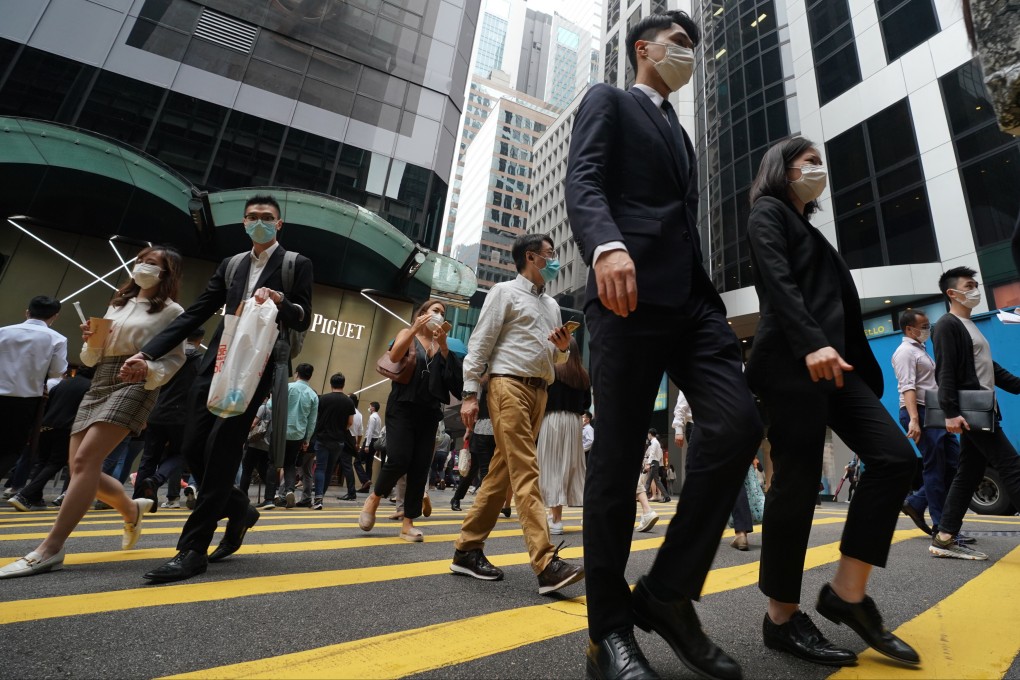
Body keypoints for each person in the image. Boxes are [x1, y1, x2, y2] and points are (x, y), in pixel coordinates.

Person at [566, 12, 764, 676]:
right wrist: (607, 245)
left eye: (693, 46)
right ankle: (608, 634)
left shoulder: (681, 134)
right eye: (678, 43)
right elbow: (584, 179)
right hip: (624, 293)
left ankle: (668, 594)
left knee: (738, 423)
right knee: (617, 467)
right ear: (641, 48)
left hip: (692, 304)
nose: (688, 53)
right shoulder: (609, 100)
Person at [745, 137, 919, 666]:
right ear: (782, 169)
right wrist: (809, 342)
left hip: (839, 371)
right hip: (795, 366)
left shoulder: (811, 231)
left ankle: (847, 596)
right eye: (809, 163)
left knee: (895, 458)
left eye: (819, 163)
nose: (819, 170)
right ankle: (780, 618)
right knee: (795, 487)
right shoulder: (767, 214)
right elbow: (778, 285)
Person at [132, 194, 313, 583]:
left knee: (223, 449)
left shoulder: (295, 263)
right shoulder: (232, 265)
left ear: (279, 224)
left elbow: (304, 317)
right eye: (252, 217)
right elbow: (198, 311)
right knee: (192, 445)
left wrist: (281, 301)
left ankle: (192, 550)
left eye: (267, 217)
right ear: (243, 222)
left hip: (255, 366)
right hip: (216, 360)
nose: (259, 222)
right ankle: (239, 508)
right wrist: (147, 353)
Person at [1, 247, 187, 579]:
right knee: (79, 468)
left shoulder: (173, 312)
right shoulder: (118, 303)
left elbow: (175, 359)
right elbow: (89, 359)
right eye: (140, 261)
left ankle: (50, 548)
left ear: (167, 273)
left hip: (135, 381)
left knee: (85, 462)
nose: (143, 267)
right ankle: (132, 509)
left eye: (153, 264)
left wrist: (147, 367)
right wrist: (90, 339)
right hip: (100, 379)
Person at [450, 233, 584, 596]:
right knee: (527, 467)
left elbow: (556, 360)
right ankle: (545, 563)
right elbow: (479, 345)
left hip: (541, 390)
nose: (554, 261)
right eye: (550, 255)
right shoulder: (504, 292)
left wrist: (561, 350)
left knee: (502, 473)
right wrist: (469, 394)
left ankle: (466, 549)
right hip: (507, 384)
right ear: (531, 257)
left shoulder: (553, 306)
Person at [929, 266, 1020, 560]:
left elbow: (990, 370)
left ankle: (944, 536)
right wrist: (951, 413)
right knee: (1012, 465)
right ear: (952, 293)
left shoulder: (970, 326)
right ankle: (944, 535)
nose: (975, 290)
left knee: (969, 472)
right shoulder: (947, 324)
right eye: (969, 285)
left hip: (982, 409)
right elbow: (945, 373)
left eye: (975, 284)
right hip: (970, 413)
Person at [358, 299, 462, 542]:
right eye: (435, 311)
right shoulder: (408, 333)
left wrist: (444, 348)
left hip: (429, 412)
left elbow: (454, 383)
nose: (439, 315)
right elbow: (394, 356)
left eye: (443, 313)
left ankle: (408, 523)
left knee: (419, 467)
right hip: (402, 407)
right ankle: (375, 497)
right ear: (423, 314)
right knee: (399, 458)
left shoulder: (443, 346)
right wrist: (414, 329)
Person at [892, 307, 964, 537]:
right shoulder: (904, 352)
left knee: (954, 463)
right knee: (935, 467)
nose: (928, 329)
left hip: (935, 412)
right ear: (909, 329)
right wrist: (914, 420)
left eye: (928, 325)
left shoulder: (921, 349)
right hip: (919, 413)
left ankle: (916, 501)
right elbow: (908, 386)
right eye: (923, 326)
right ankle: (941, 526)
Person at [133, 327, 205, 510]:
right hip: (183, 417)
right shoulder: (202, 362)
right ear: (200, 339)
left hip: (157, 413)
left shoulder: (166, 359)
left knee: (149, 457)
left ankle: (140, 500)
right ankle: (156, 480)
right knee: (180, 453)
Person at [0, 296, 68, 483]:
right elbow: (56, 372)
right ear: (55, 316)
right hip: (24, 402)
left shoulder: (3, 331)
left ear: (27, 312)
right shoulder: (58, 339)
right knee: (11, 450)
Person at [8, 366, 93, 511]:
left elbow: (47, 405)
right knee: (56, 462)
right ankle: (24, 495)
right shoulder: (90, 388)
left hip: (46, 426)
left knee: (42, 462)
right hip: (66, 428)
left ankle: (34, 497)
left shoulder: (62, 384)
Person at [537, 337, 591, 535]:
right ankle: (588, 516)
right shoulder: (583, 375)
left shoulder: (552, 371)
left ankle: (557, 519)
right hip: (574, 423)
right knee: (572, 468)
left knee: (552, 467)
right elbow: (586, 404)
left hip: (552, 420)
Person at [312, 373, 356, 510]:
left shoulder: (323, 399)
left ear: (331, 384)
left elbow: (315, 418)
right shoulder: (349, 402)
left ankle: (318, 498)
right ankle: (321, 496)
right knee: (329, 470)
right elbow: (350, 422)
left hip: (322, 438)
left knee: (320, 467)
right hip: (338, 440)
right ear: (343, 384)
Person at [278, 363, 317, 509]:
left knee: (272, 463)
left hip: (281, 431)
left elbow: (271, 405)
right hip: (298, 435)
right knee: (290, 464)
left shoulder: (288, 387)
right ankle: (289, 490)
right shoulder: (313, 395)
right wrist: (306, 440)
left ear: (296, 374)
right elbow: (311, 421)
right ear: (310, 376)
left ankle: (271, 496)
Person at [451, 379, 494, 512]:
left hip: (495, 432)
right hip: (481, 431)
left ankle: (459, 499)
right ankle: (480, 503)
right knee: (480, 470)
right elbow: (473, 410)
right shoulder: (483, 385)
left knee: (484, 471)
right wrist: (468, 430)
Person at [642, 429, 668, 503]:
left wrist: (648, 463)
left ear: (650, 434)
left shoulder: (654, 443)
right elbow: (659, 455)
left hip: (653, 462)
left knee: (655, 481)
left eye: (648, 434)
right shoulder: (656, 442)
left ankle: (666, 497)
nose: (648, 436)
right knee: (649, 481)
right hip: (654, 462)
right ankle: (643, 496)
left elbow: (652, 454)